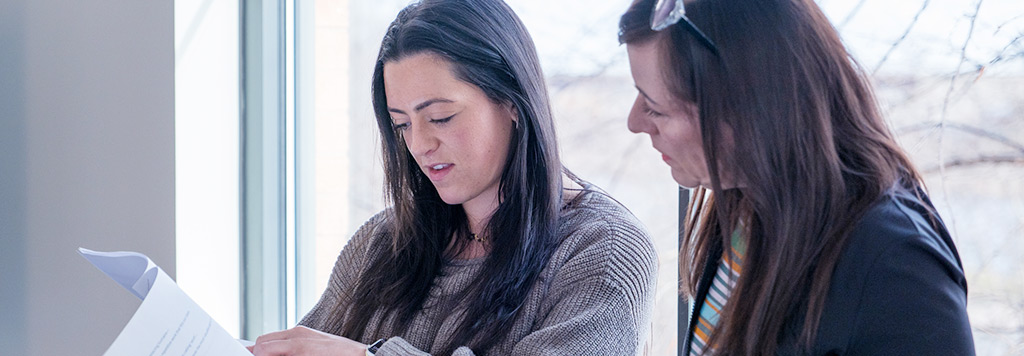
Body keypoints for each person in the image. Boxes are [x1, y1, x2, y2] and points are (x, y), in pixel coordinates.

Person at [248, 0, 658, 355]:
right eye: (402, 125)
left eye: (440, 117)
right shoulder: (382, 241)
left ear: (512, 102)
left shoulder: (603, 249)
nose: (420, 144)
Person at [618, 0, 975, 355]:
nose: (635, 122)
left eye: (654, 107)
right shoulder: (747, 210)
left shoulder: (897, 268)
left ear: (747, 109)